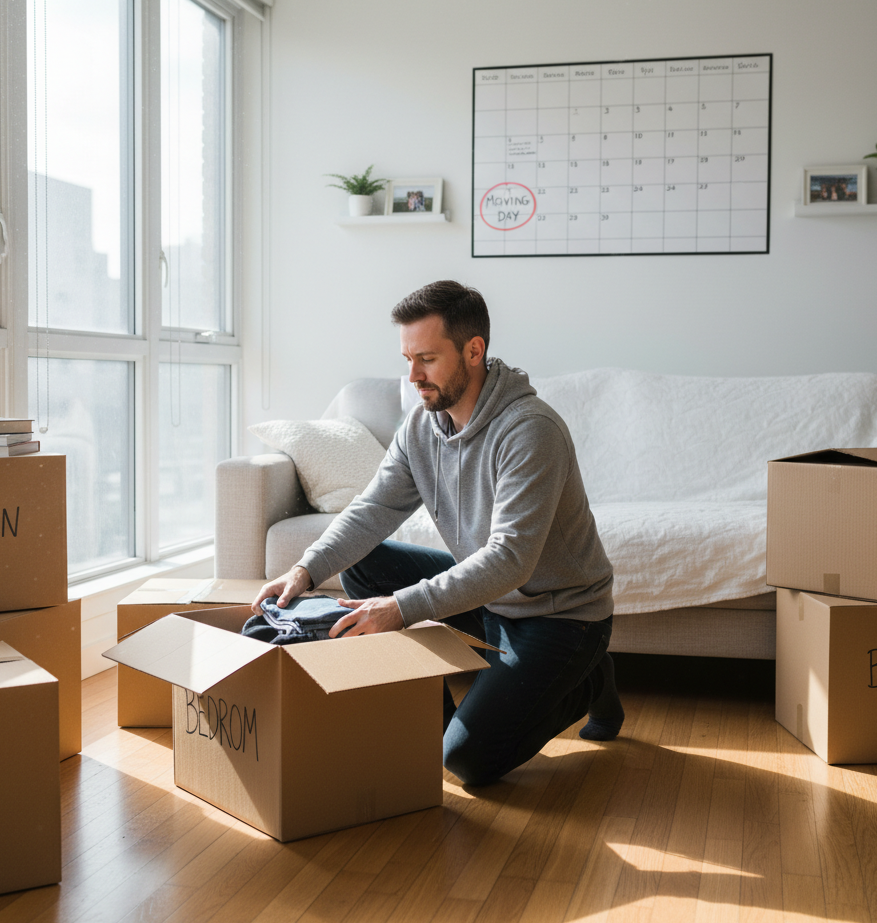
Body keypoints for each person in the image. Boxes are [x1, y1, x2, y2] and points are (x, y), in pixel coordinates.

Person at [250, 280, 623, 786]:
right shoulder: (421, 426)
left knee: (467, 761)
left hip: (558, 614)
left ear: (474, 351)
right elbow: (374, 508)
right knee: (363, 564)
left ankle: (589, 677)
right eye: (408, 359)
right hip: (492, 599)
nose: (412, 377)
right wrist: (305, 569)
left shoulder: (531, 430)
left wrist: (400, 608)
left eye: (426, 359)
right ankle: (431, 708)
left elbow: (511, 559)